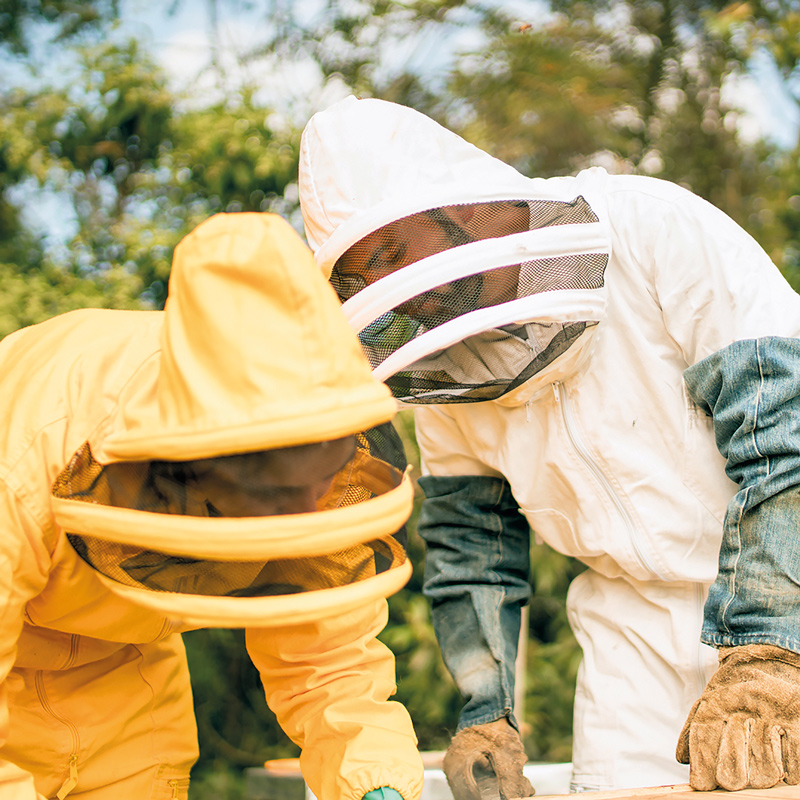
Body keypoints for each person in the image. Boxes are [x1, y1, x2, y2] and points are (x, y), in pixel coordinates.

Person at [297, 94, 800, 798]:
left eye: (388, 254)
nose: (391, 290)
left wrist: (772, 653)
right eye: (363, 275)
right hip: (631, 629)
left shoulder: (653, 228)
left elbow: (786, 438)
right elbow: (472, 551)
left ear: (452, 207)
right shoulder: (444, 375)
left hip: (787, 599)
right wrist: (485, 712)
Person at [0, 211, 425, 800]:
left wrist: (377, 783)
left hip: (128, 684)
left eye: (325, 479)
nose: (309, 513)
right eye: (275, 495)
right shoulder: (25, 448)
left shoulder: (308, 446)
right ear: (190, 463)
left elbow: (328, 660)